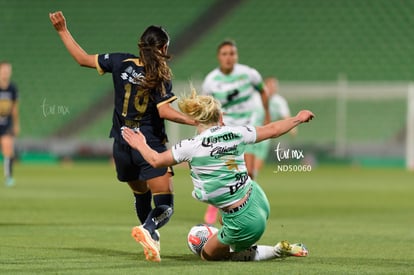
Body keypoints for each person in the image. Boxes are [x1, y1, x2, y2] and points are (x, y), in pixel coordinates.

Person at [49, 11, 197, 262]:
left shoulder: (119, 62)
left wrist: (62, 30)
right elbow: (165, 111)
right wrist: (195, 120)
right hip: (149, 146)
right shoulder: (159, 75)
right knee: (166, 205)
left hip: (122, 145)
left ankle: (151, 238)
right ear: (162, 48)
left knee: (141, 195)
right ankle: (149, 229)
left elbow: (83, 59)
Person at [122, 90, 314, 261]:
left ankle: (276, 251)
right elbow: (272, 130)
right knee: (222, 220)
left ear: (196, 121)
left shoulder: (191, 145)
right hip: (258, 198)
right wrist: (298, 118)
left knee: (208, 255)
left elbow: (155, 160)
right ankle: (235, 237)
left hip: (244, 220)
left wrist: (140, 144)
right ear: (221, 117)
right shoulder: (236, 132)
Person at [201, 40, 270, 224]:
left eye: (232, 53)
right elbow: (207, 107)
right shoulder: (210, 81)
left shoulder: (249, 74)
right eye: (225, 54)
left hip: (248, 126)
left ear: (236, 56)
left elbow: (264, 91)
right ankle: (218, 207)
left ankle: (244, 210)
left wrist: (266, 113)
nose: (229, 57)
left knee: (248, 173)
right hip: (226, 128)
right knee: (224, 171)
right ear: (218, 57)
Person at [251, 77, 297, 176]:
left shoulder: (279, 101)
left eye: (274, 86)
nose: (272, 88)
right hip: (251, 133)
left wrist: (293, 127)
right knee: (247, 165)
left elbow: (286, 117)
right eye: (269, 85)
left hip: (266, 135)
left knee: (257, 167)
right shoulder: (254, 97)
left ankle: (250, 183)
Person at [0, 61, 20, 187]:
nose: (6, 72)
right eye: (4, 70)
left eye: (8, 70)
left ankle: (8, 177)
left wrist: (16, 124)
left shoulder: (12, 88)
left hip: (6, 123)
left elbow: (14, 108)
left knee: (8, 149)